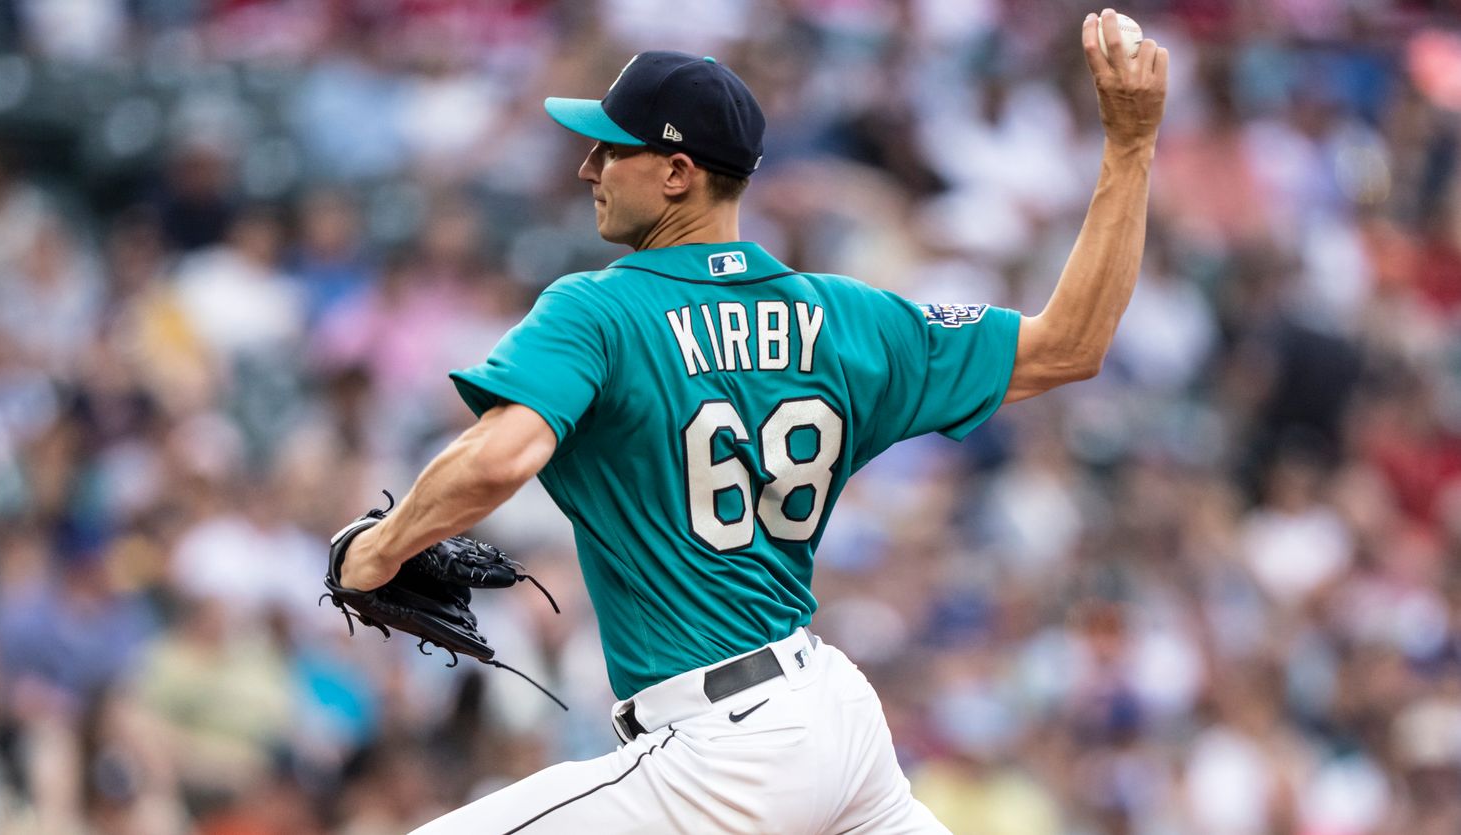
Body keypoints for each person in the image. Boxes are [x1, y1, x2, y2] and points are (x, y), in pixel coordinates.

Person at [337, 11, 1168, 833]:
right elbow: (1070, 345)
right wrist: (1130, 147)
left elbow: (498, 458)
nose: (590, 164)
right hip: (832, 718)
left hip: (722, 750)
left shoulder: (599, 310)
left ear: (677, 173)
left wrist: (377, 551)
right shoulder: (846, 318)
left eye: (613, 148)